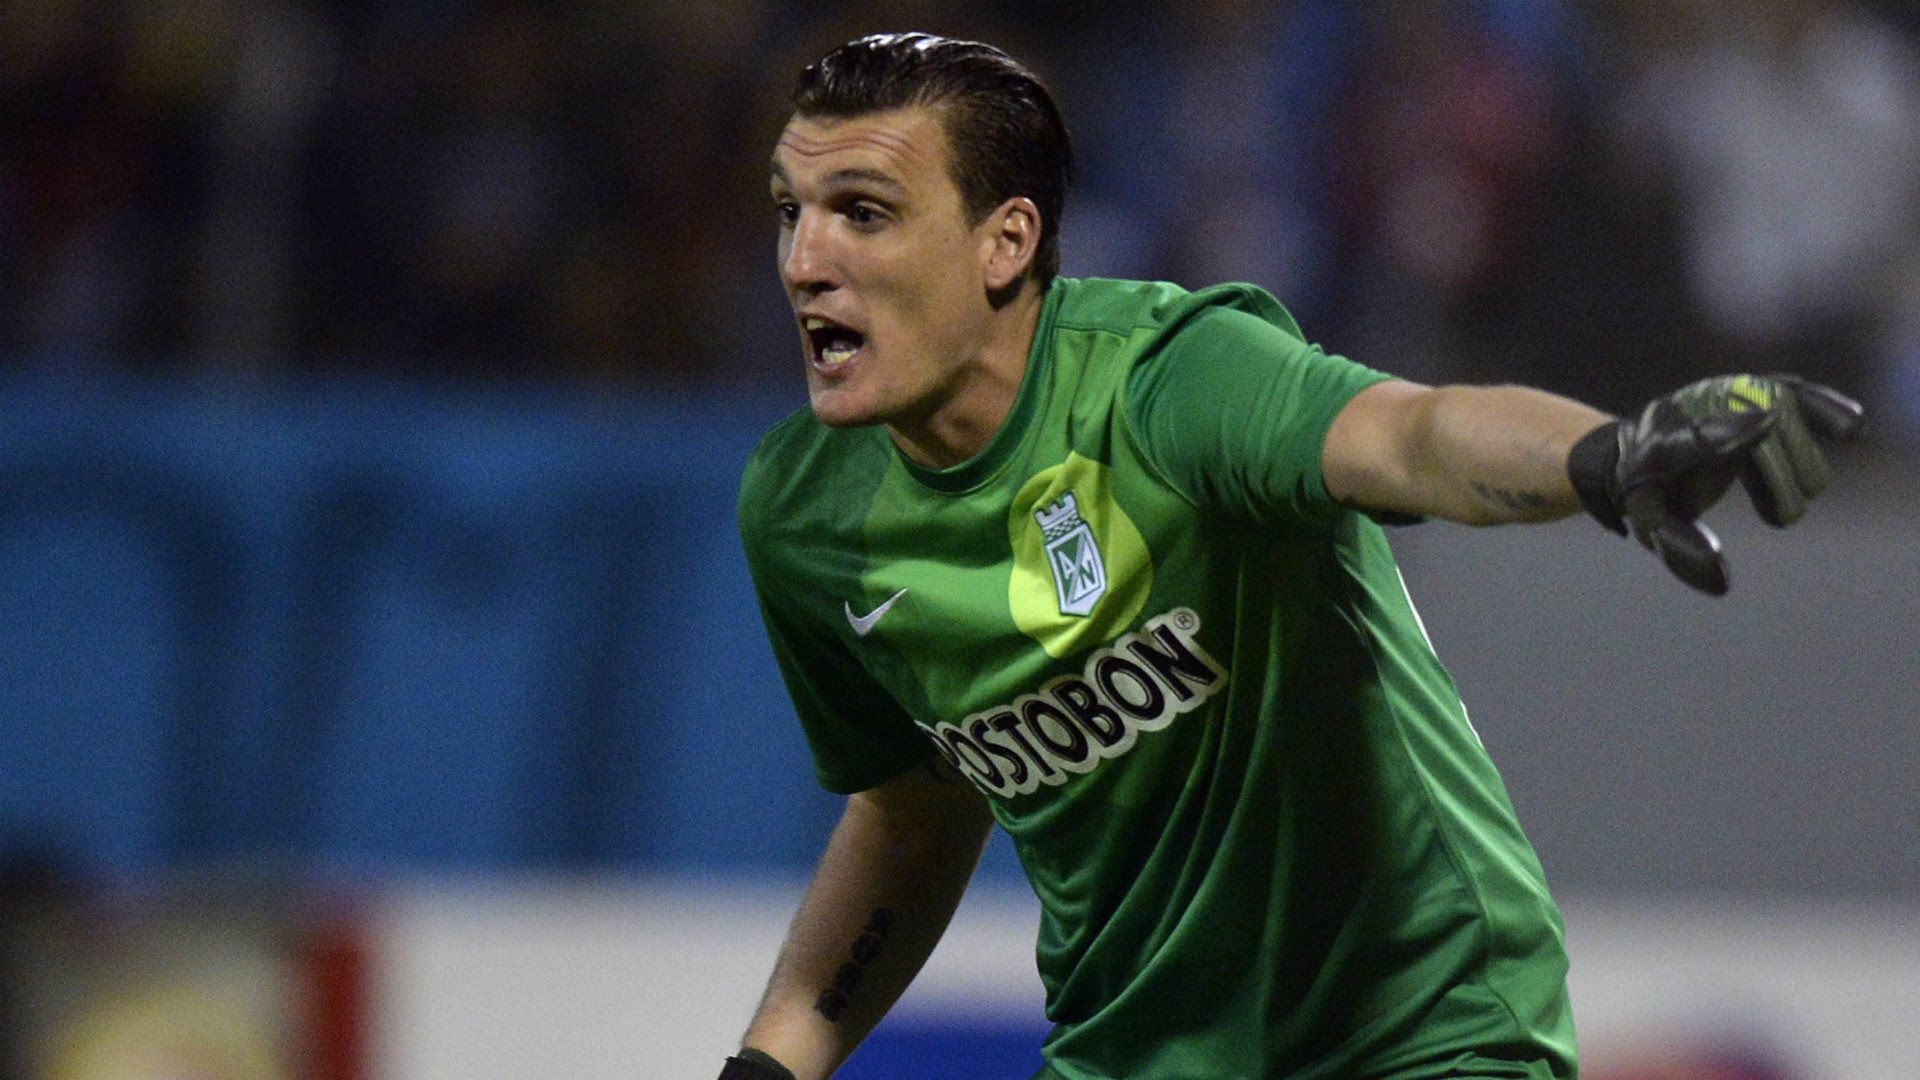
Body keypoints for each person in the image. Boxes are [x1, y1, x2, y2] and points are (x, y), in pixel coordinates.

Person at [724, 32, 1863, 1080]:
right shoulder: (804, 513)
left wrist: (1603, 457)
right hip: (1134, 1054)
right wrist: (773, 1062)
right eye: (790, 211)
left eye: (862, 212)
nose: (805, 259)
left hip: (1415, 1035)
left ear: (1004, 242)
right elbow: (913, 810)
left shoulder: (1171, 379)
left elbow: (1413, 435)